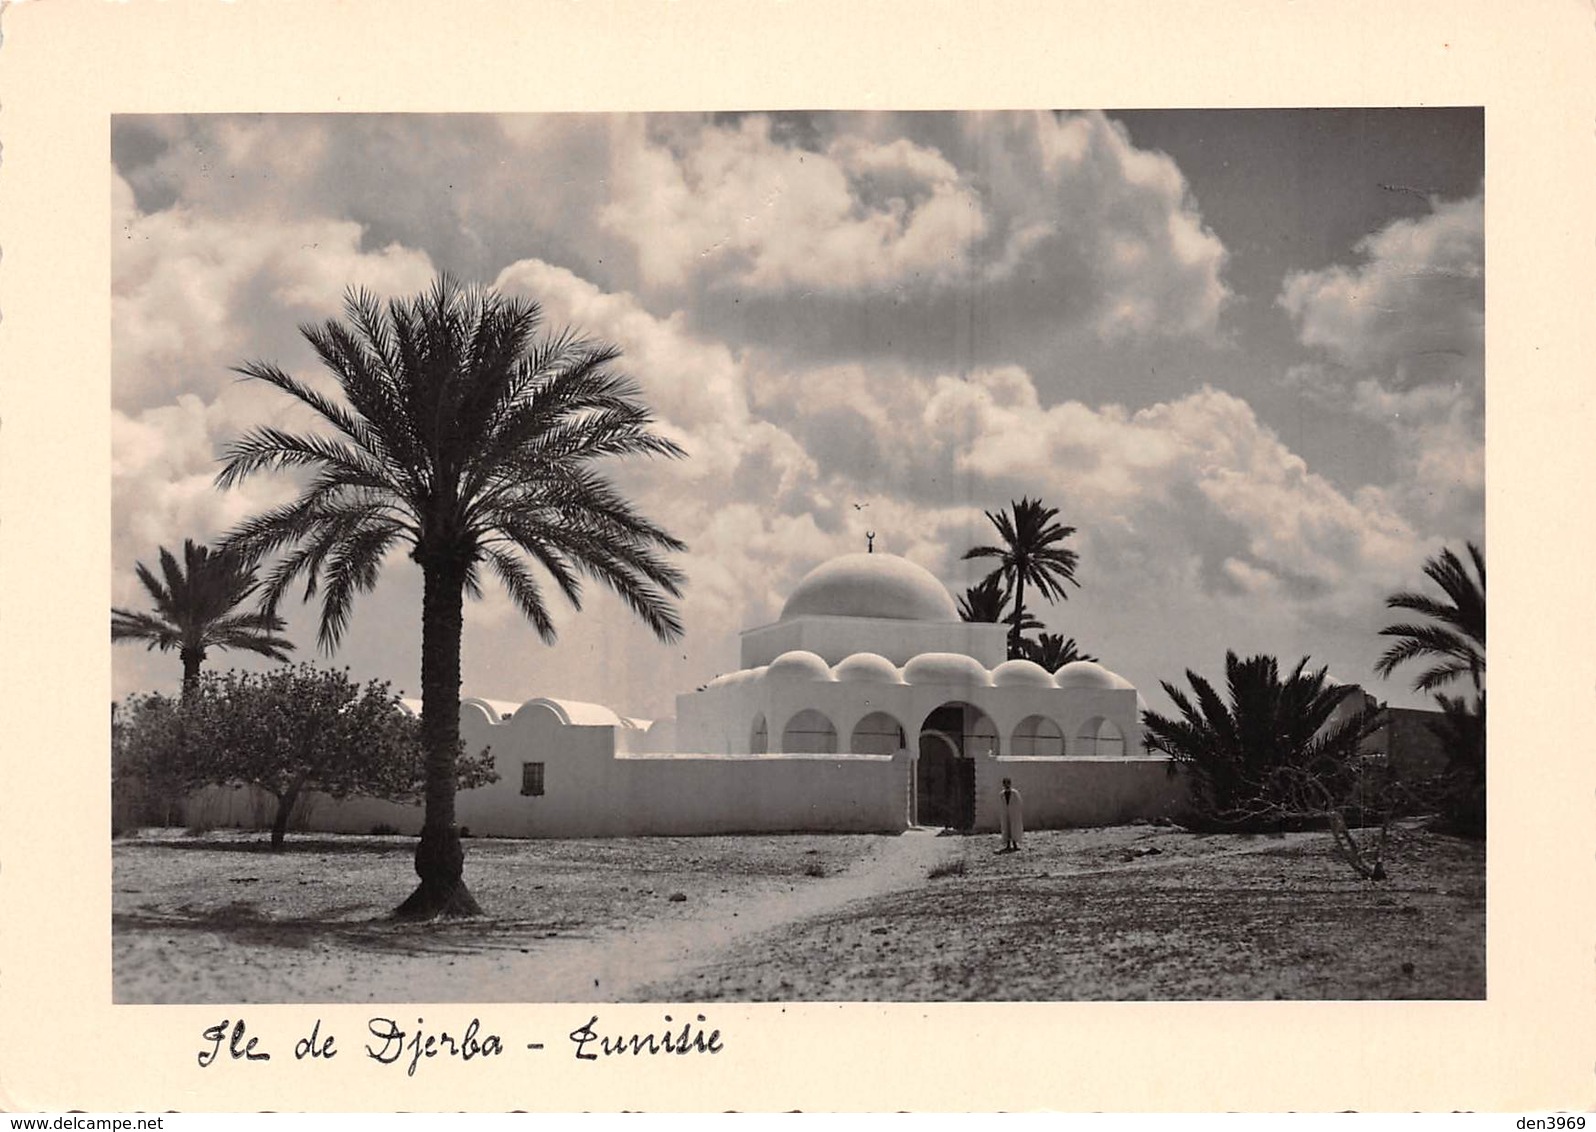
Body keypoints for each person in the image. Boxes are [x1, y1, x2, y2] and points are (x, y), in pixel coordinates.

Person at [998, 777, 1024, 852]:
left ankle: (1015, 844)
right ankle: (1008, 844)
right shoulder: (1001, 794)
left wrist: (1016, 812)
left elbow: (1019, 803)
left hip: (1014, 813)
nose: (1006, 785)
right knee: (1006, 828)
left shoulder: (1015, 793)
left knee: (1014, 828)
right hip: (1005, 813)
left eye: (1008, 783)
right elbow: (1001, 805)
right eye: (1005, 783)